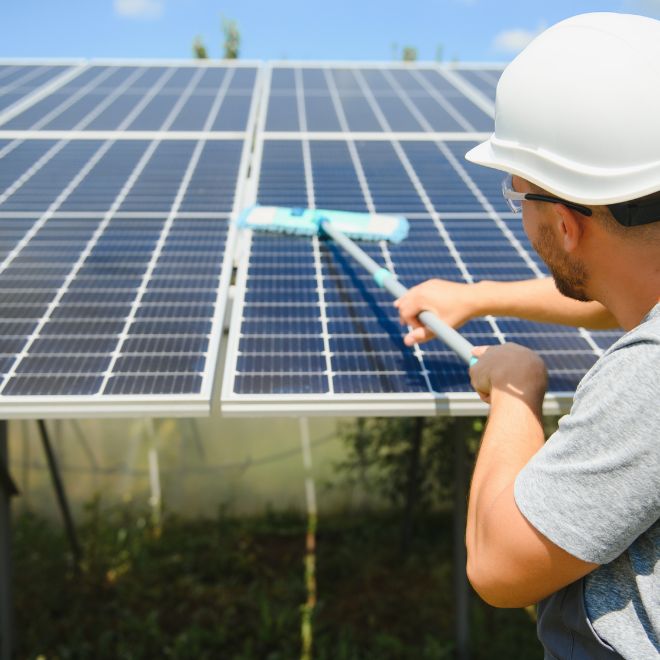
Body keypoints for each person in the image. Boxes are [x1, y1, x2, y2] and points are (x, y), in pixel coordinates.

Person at [395, 13, 659, 659]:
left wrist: (515, 391)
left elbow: (500, 566)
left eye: (519, 198)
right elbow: (626, 295)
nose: (520, 213)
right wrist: (481, 296)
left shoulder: (648, 376)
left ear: (566, 223)